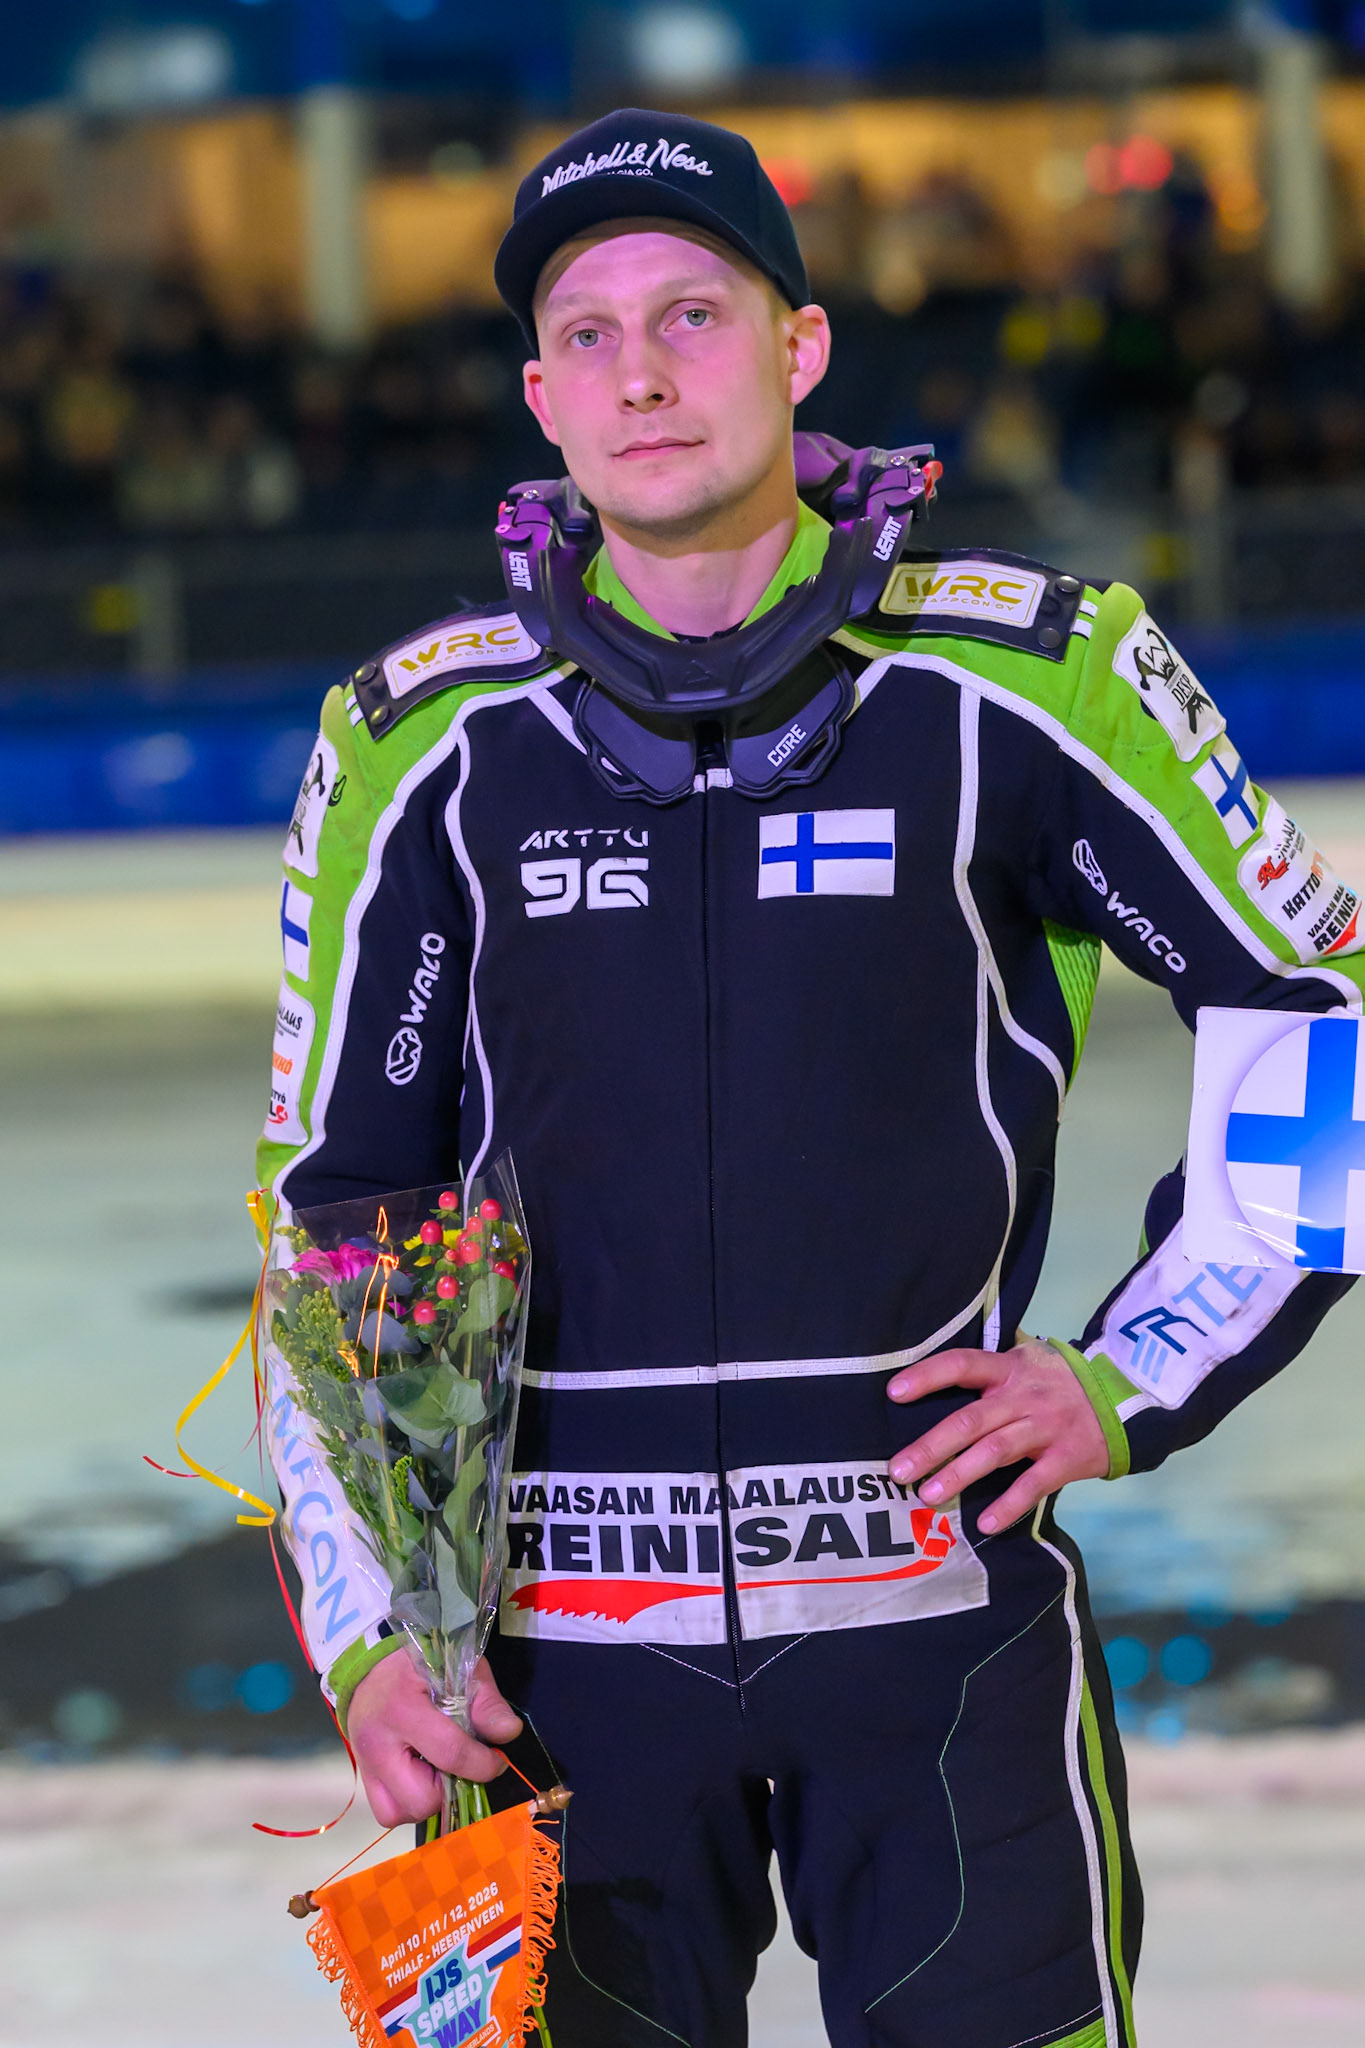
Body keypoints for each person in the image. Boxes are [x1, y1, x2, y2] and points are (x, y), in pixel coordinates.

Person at [258, 110, 1364, 2048]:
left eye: (691, 313)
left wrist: (1135, 1371)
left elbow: (1320, 1005)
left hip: (936, 1656)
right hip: (546, 1683)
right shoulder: (415, 744)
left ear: (801, 346)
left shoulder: (1031, 679)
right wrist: (370, 1635)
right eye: (587, 335)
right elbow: (332, 1225)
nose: (641, 372)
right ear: (539, 398)